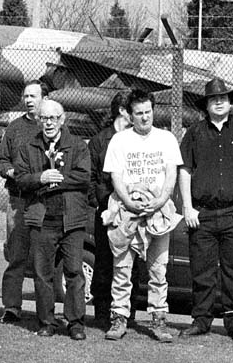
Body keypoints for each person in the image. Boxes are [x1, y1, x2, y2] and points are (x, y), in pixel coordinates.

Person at [102, 89, 181, 342]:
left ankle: (159, 320)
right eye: (139, 113)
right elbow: (115, 176)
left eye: (148, 112)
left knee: (159, 270)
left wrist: (160, 201)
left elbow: (171, 174)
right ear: (130, 115)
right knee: (122, 269)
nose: (145, 118)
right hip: (127, 212)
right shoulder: (120, 140)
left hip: (158, 213)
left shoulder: (166, 138)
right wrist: (128, 201)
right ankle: (119, 319)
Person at [177, 78, 233, 341]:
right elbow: (185, 169)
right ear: (206, 105)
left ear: (231, 101)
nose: (219, 102)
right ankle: (201, 321)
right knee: (202, 270)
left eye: (224, 97)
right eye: (214, 99)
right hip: (202, 213)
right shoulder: (195, 132)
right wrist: (187, 207)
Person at [14, 99, 91, 340]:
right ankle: (46, 321)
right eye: (44, 118)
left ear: (62, 119)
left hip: (72, 219)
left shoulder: (77, 145)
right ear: (39, 120)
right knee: (42, 273)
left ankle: (76, 323)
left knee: (74, 272)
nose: (49, 123)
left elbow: (83, 176)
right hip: (42, 218)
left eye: (53, 118)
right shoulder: (29, 147)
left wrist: (56, 180)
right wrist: (40, 178)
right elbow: (20, 178)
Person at [0, 80, 47, 324]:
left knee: (42, 259)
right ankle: (12, 307)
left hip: (44, 202)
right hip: (18, 201)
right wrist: (12, 173)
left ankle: (44, 311)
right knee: (16, 256)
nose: (28, 100)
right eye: (26, 96)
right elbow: (0, 161)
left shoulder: (50, 126)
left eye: (33, 96)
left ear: (43, 98)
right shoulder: (14, 129)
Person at [87, 90, 131, 326]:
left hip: (132, 212)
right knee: (104, 263)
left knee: (130, 265)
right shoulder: (99, 141)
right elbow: (90, 177)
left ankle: (125, 314)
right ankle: (102, 314)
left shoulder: (137, 139)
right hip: (107, 212)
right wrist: (100, 204)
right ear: (123, 110)